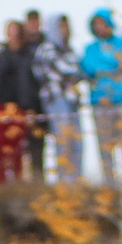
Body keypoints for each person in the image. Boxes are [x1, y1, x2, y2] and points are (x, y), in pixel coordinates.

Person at [82, 7, 122, 184]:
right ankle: (110, 187)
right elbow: (89, 67)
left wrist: (104, 69)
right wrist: (113, 68)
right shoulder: (89, 48)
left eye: (102, 22)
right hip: (101, 102)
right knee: (105, 147)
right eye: (96, 24)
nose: (99, 27)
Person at [0, 18, 41, 184]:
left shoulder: (28, 56)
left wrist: (30, 106)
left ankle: (17, 182)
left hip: (19, 107)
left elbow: (29, 83)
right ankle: (0, 182)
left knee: (17, 148)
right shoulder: (0, 54)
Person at [37, 13, 83, 181]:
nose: (65, 30)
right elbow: (66, 71)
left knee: (76, 142)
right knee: (63, 142)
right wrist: (75, 74)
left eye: (66, 25)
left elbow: (77, 70)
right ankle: (64, 183)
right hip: (57, 101)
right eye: (61, 26)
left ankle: (75, 180)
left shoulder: (69, 50)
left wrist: (76, 74)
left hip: (72, 102)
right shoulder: (47, 49)